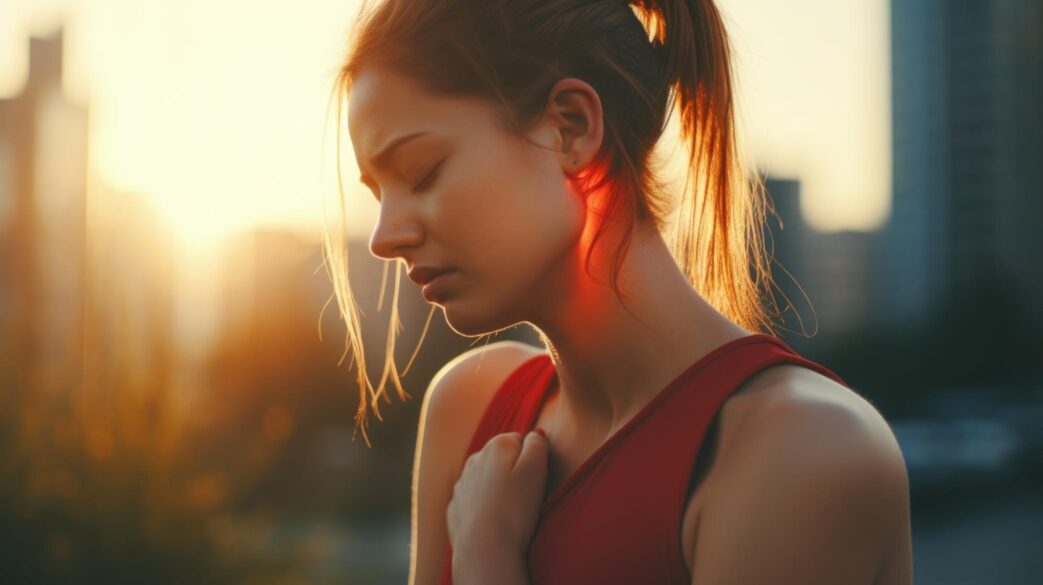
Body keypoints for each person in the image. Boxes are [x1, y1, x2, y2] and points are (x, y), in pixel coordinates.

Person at [325, 0, 913, 583]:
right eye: (379, 193)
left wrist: (486, 559)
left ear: (570, 128)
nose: (384, 237)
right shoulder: (469, 407)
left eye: (422, 172)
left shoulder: (801, 452)